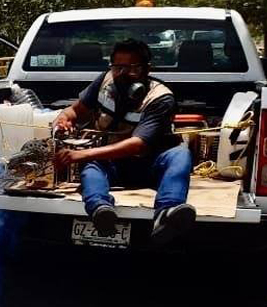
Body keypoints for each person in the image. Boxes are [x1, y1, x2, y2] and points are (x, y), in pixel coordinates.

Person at [52, 39, 195, 244]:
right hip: (113, 164)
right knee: (91, 165)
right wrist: (64, 118)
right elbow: (75, 109)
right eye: (118, 67)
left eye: (133, 68)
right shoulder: (104, 82)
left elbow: (138, 144)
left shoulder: (161, 98)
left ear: (147, 69)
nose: (123, 74)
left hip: (149, 165)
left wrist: (82, 154)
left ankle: (167, 213)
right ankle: (101, 211)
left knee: (180, 154)